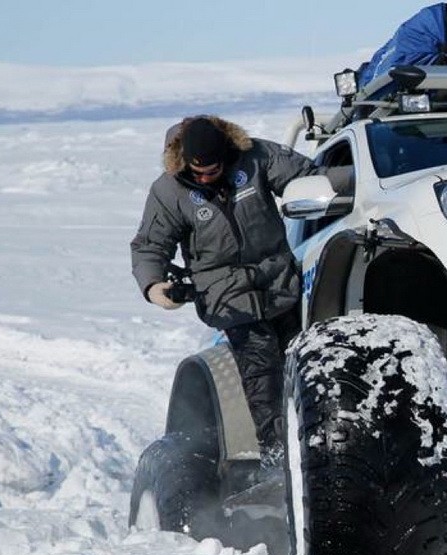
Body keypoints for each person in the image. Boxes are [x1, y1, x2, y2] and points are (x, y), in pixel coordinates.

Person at [130, 115, 316, 464]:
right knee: (262, 374)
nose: (204, 178)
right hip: (226, 295)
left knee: (301, 365)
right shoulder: (169, 191)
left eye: (211, 171)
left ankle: (316, 447)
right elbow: (149, 245)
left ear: (227, 156)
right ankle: (278, 459)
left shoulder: (256, 157)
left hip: (279, 281)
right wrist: (153, 285)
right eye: (197, 172)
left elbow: (309, 178)